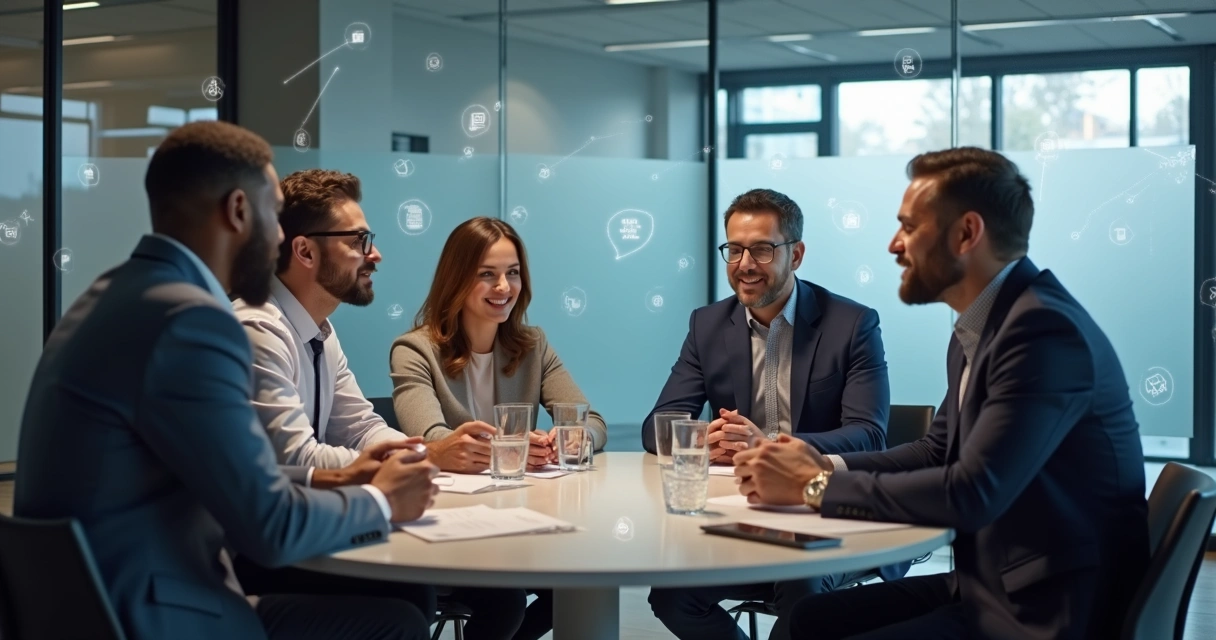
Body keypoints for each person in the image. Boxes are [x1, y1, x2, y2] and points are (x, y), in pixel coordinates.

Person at [14, 121, 439, 640]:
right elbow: (270, 529)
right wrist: (381, 502)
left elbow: (224, 475)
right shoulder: (193, 322)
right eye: (272, 215)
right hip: (159, 617)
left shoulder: (115, 295)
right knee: (397, 625)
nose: (281, 235)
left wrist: (335, 477)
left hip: (94, 607)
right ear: (239, 210)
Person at [735, 148, 1149, 640]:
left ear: (966, 233)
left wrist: (813, 487)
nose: (894, 245)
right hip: (993, 585)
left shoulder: (1041, 332)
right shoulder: (980, 327)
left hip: (1048, 611)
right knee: (806, 621)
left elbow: (971, 493)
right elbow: (936, 451)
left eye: (910, 227)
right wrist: (821, 465)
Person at [642, 188, 903, 640]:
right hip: (745, 516)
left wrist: (771, 446)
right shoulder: (707, 325)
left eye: (762, 249)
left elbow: (868, 435)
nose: (745, 264)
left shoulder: (853, 324)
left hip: (827, 513)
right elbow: (657, 426)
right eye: (735, 249)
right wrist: (704, 438)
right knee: (670, 594)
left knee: (801, 590)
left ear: (796, 254)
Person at [230, 168, 436, 622]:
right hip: (258, 556)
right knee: (409, 604)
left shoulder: (319, 328)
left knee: (436, 593)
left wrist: (411, 454)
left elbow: (359, 425)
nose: (374, 254)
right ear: (304, 250)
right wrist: (398, 466)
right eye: (358, 241)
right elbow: (296, 459)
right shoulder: (259, 328)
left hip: (302, 529)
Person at [391, 216, 606, 640]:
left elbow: (591, 422)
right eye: (486, 275)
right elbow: (433, 440)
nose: (504, 288)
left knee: (580, 580)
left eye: (512, 274)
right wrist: (510, 448)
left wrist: (564, 440)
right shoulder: (414, 351)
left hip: (520, 521)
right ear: (455, 280)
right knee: (506, 603)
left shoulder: (532, 344)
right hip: (450, 528)